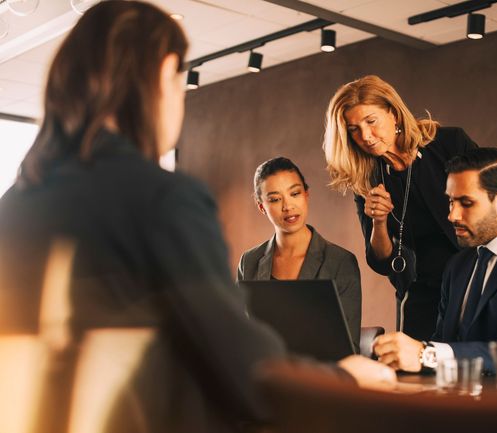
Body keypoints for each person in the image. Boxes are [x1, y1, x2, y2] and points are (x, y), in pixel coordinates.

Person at [0, 2, 395, 432]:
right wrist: (342, 379)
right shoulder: (162, 198)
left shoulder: (13, 208)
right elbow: (242, 370)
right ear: (163, 75)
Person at [372, 147, 497, 377]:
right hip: (456, 403)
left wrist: (424, 354)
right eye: (450, 201)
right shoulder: (458, 264)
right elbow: (444, 343)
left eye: (466, 203)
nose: (452, 215)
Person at [323, 75, 478, 341]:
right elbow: (381, 260)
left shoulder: (449, 143)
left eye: (371, 121)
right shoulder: (368, 179)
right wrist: (379, 222)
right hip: (425, 290)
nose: (366, 136)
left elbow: (494, 202)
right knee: (415, 373)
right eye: (354, 129)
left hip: (476, 276)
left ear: (393, 114)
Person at [237, 157, 362, 350]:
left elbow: (349, 347)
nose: (288, 206)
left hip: (320, 375)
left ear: (306, 194)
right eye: (275, 199)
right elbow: (243, 335)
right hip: (266, 372)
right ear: (262, 206)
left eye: (294, 193)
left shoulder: (340, 261)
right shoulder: (249, 261)